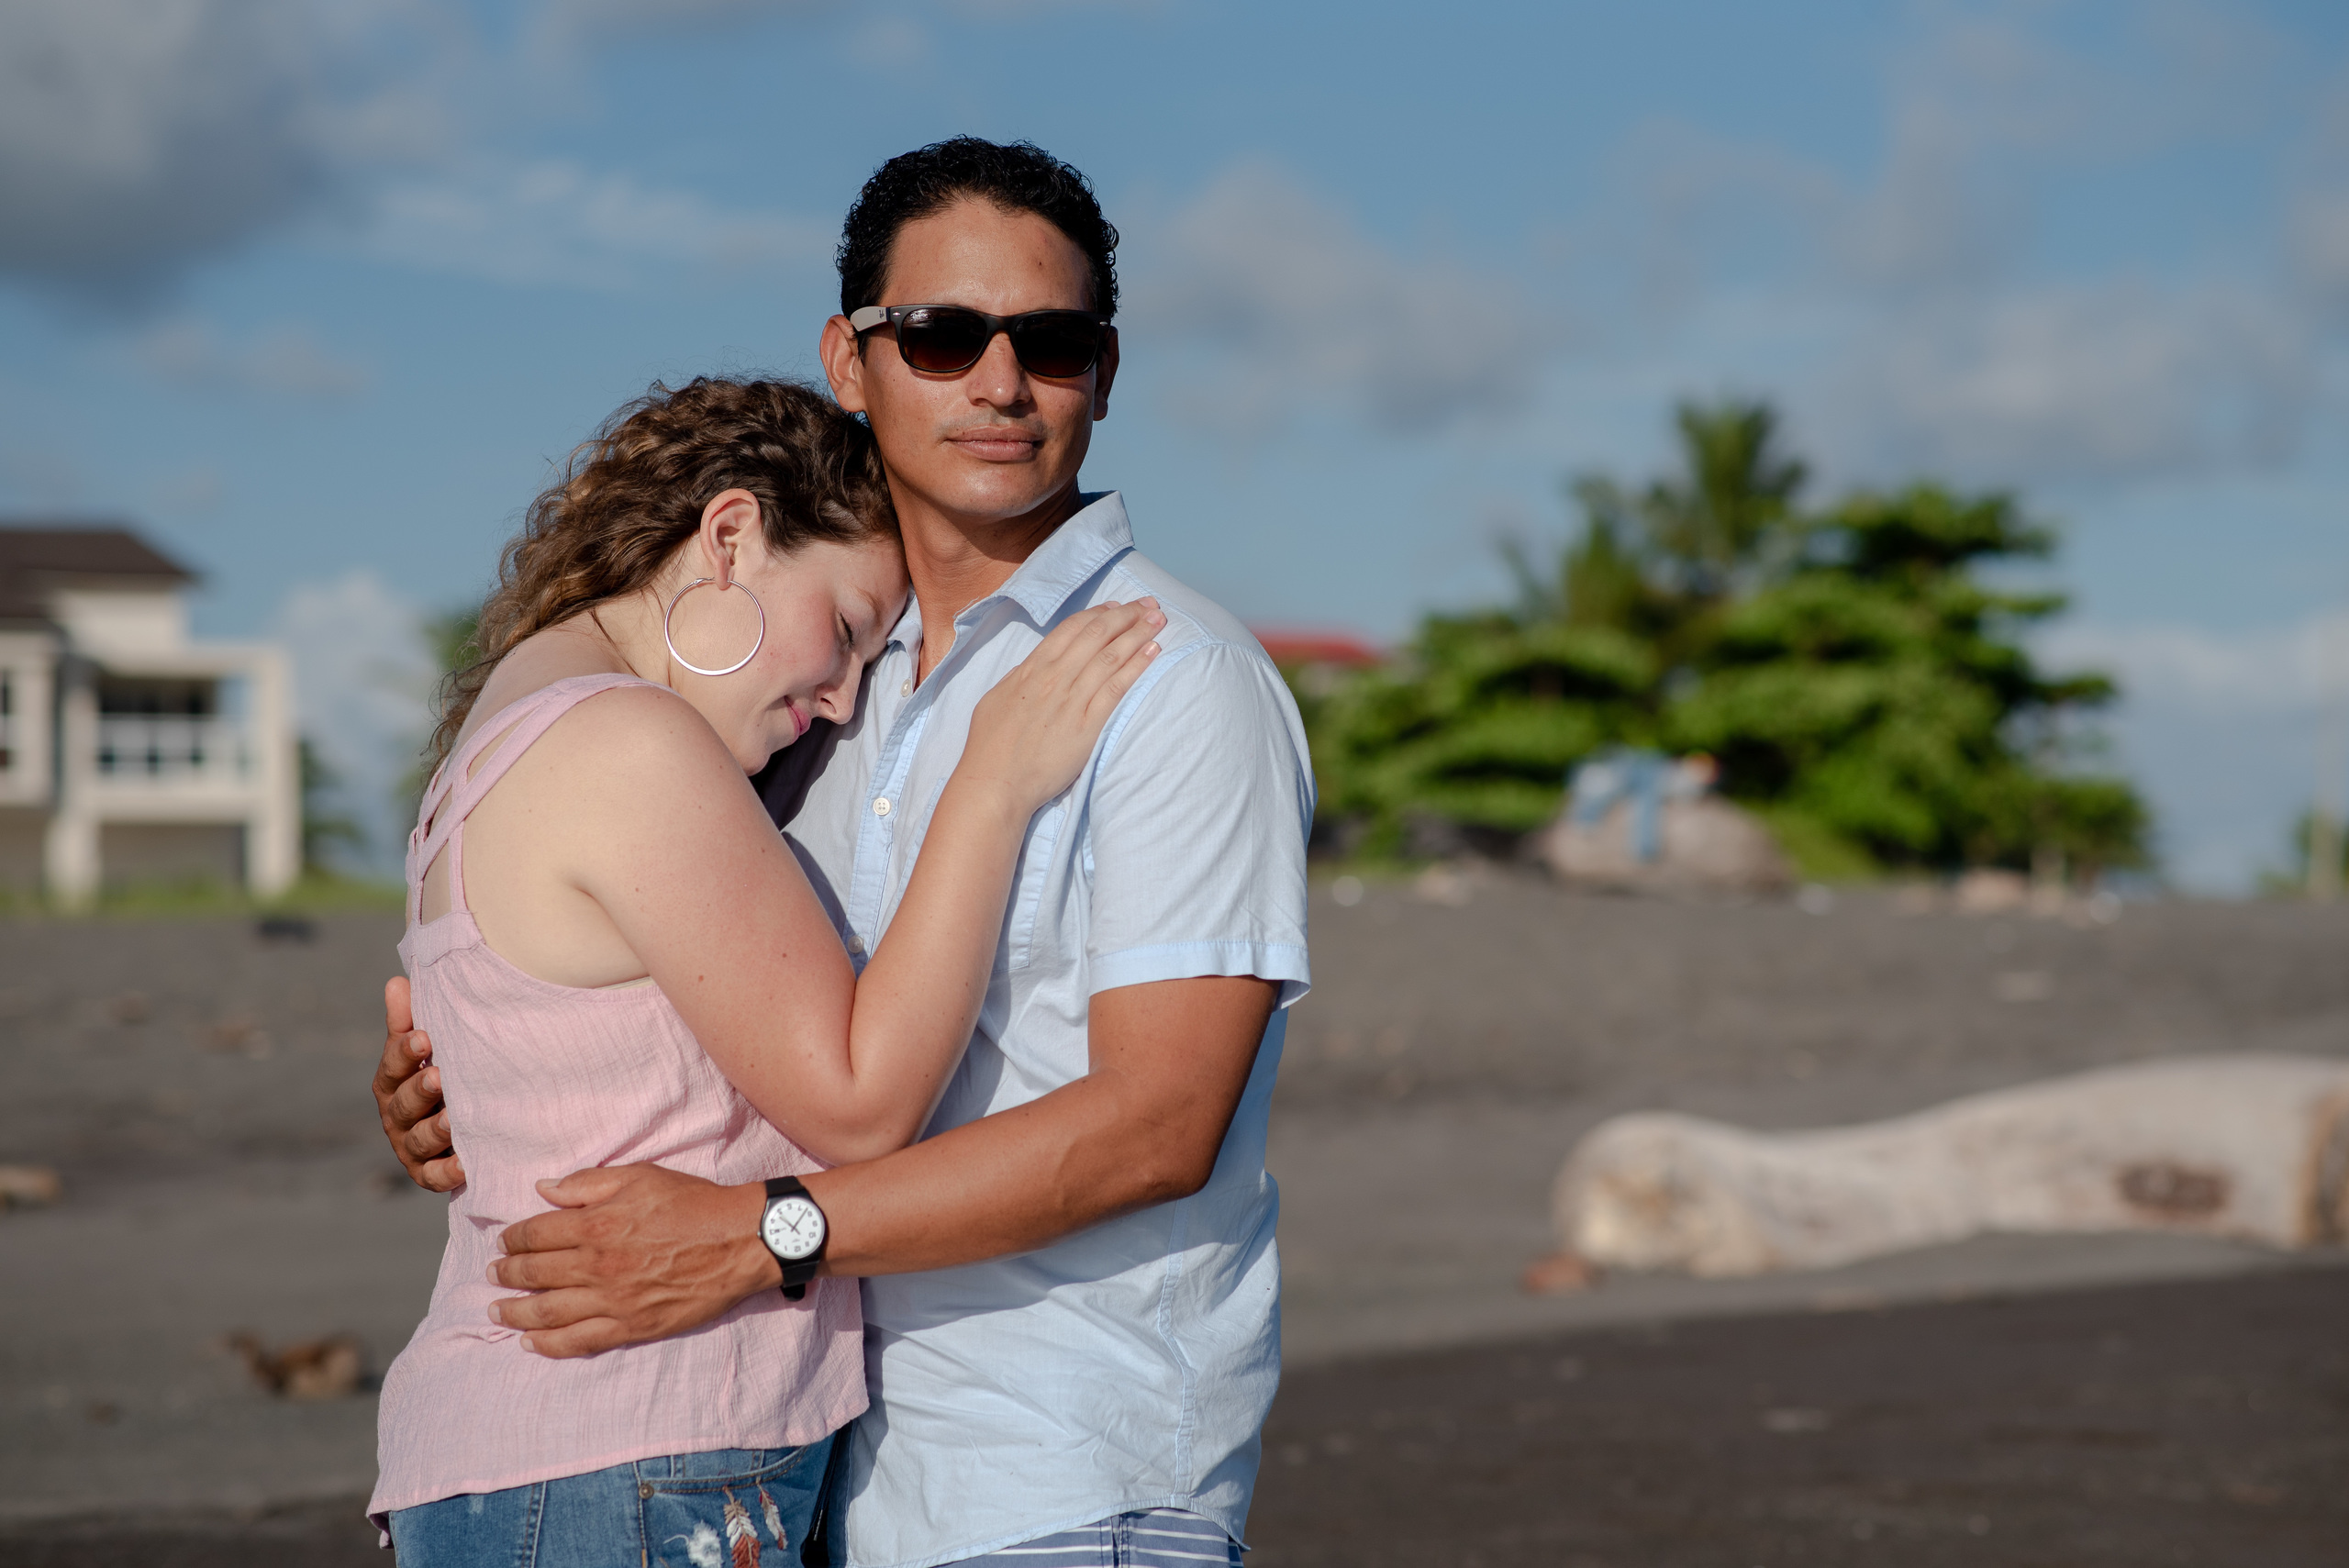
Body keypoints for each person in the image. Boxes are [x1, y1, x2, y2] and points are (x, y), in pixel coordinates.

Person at [373, 138, 1316, 1568]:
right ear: (853, 360)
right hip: (831, 1482)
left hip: (1061, 1477)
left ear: (1104, 375)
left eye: (1050, 344)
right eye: (942, 335)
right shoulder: (810, 715)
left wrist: (767, 1237)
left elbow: (1157, 1124)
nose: (1000, 382)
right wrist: (475, 1081)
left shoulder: (1168, 679)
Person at [368, 373, 1164, 1566]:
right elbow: (859, 1102)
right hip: (628, 1454)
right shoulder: (628, 744)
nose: (842, 697)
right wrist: (992, 782)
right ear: (729, 535)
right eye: (844, 628)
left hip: (545, 1456)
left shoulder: (512, 729)